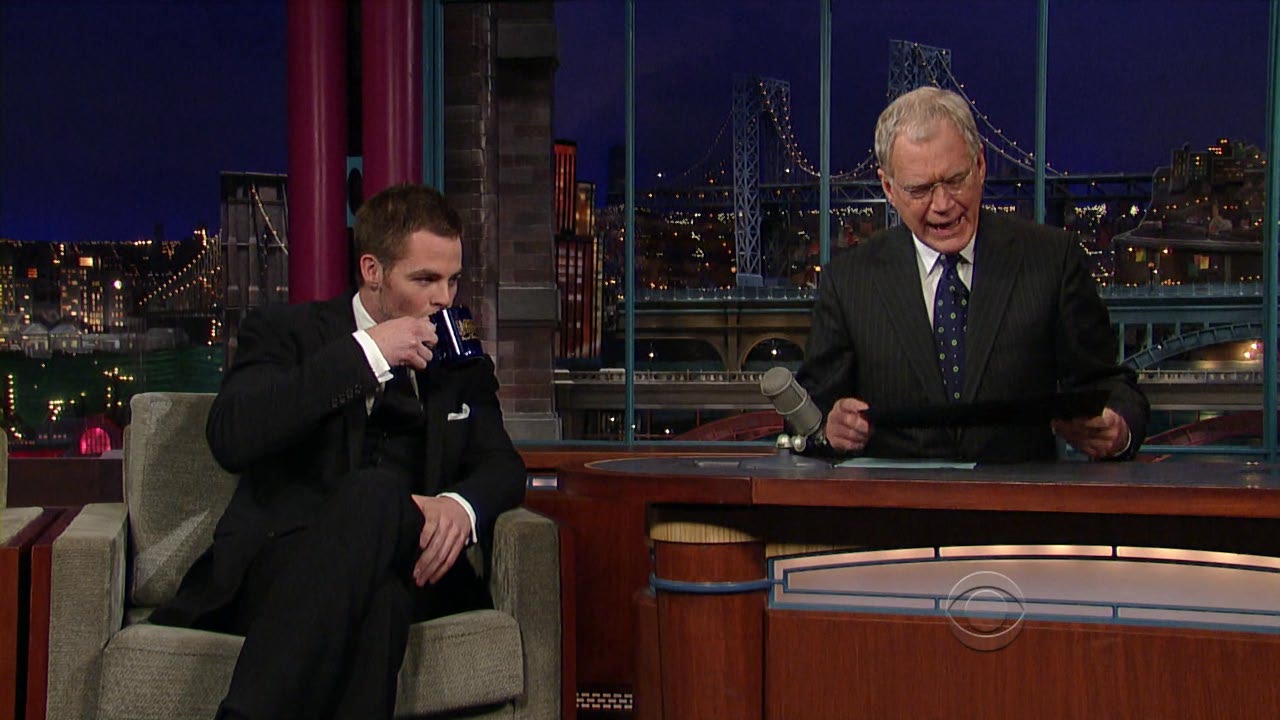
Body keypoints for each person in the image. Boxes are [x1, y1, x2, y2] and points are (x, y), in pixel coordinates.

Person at [150, 183, 528, 719]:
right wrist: (366, 352)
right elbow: (231, 436)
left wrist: (459, 507)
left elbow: (502, 465)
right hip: (286, 564)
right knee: (380, 591)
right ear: (372, 270)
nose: (444, 298)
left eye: (452, 279)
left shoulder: (460, 362)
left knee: (383, 532)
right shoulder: (288, 332)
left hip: (415, 566)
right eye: (425, 279)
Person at [796, 86, 1148, 462]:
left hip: (1019, 496)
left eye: (955, 180)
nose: (943, 204)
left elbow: (1109, 385)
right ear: (889, 188)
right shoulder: (848, 281)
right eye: (920, 190)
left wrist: (1118, 428)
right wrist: (828, 429)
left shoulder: (1051, 259)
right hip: (898, 498)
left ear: (980, 165)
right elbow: (809, 414)